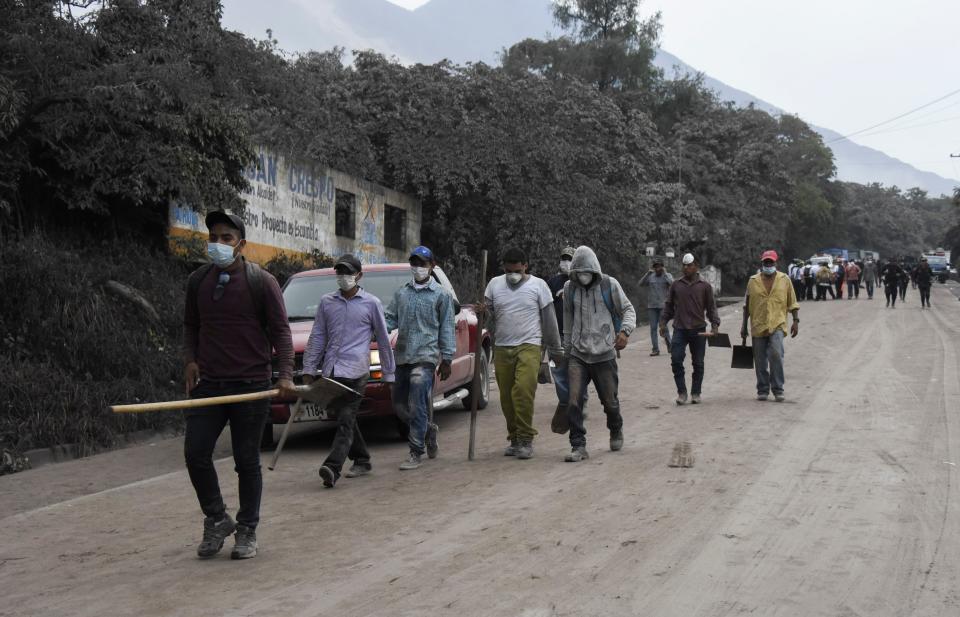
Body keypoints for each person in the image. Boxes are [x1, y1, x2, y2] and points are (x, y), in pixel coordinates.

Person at [183, 211, 295, 560]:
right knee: (195, 453)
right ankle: (217, 518)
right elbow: (191, 326)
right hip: (209, 385)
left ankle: (247, 529)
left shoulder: (262, 282)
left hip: (251, 386)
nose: (218, 244)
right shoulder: (198, 281)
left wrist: (286, 375)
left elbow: (281, 332)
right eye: (213, 237)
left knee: (247, 460)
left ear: (241, 244)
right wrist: (190, 360)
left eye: (226, 238)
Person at [303, 254, 396, 488]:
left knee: (345, 418)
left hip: (357, 372)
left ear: (359, 275)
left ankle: (332, 467)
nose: (343, 277)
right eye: (339, 272)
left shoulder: (371, 303)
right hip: (332, 371)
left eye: (348, 272)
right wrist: (309, 368)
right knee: (346, 418)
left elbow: (383, 340)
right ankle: (362, 459)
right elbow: (317, 337)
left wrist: (389, 373)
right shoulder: (326, 302)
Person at [483, 246, 563, 459]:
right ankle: (515, 437)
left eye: (516, 270)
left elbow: (549, 321)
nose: (512, 275)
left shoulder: (539, 286)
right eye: (508, 271)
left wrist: (555, 349)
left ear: (525, 266)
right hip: (502, 347)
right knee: (507, 397)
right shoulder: (494, 285)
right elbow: (489, 316)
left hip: (530, 345)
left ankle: (526, 439)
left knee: (523, 391)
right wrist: (483, 311)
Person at [561, 246, 637, 461]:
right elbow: (567, 319)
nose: (582, 276)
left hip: (604, 353)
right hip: (578, 353)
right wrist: (566, 350)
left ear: (594, 270)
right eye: (579, 272)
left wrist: (625, 331)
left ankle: (615, 427)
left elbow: (628, 309)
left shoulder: (609, 285)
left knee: (610, 401)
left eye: (586, 272)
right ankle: (578, 445)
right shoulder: (570, 288)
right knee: (573, 400)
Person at [385, 246, 456, 470]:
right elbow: (388, 320)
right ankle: (428, 430)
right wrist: (368, 331)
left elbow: (446, 328)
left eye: (422, 264)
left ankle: (415, 451)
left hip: (426, 357)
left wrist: (447, 358)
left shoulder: (441, 295)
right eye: (414, 263)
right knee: (398, 406)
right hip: (403, 355)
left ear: (431, 266)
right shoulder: (401, 294)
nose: (418, 268)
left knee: (416, 403)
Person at [660, 253, 720, 405]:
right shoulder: (676, 285)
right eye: (684, 265)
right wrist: (662, 323)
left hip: (699, 329)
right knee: (676, 360)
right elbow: (668, 306)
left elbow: (711, 308)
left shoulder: (705, 286)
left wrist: (715, 325)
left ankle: (696, 392)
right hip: (679, 329)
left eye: (689, 265)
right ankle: (682, 392)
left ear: (696, 267)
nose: (686, 268)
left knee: (698, 363)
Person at [740, 251, 799, 403]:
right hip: (758, 325)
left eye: (770, 263)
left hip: (777, 324)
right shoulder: (753, 281)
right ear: (762, 264)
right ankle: (763, 389)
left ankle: (778, 389)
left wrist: (795, 320)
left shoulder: (784, 280)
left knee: (776, 354)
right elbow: (746, 306)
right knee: (759, 360)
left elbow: (792, 302)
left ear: (775, 263)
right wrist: (743, 326)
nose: (768, 265)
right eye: (766, 263)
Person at [546, 246, 588, 421]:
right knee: (559, 371)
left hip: (578, 334)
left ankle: (581, 400)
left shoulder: (583, 281)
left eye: (569, 258)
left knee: (579, 370)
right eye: (563, 258)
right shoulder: (552, 282)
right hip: (557, 334)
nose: (566, 262)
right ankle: (567, 403)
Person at [638, 257, 674, 356]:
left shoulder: (667, 276)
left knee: (663, 327)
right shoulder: (650, 276)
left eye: (659, 267)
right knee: (653, 328)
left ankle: (670, 345)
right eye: (656, 267)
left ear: (662, 267)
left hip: (663, 306)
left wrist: (665, 273)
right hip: (652, 307)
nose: (657, 269)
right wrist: (647, 273)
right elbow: (640, 283)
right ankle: (655, 349)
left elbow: (672, 284)